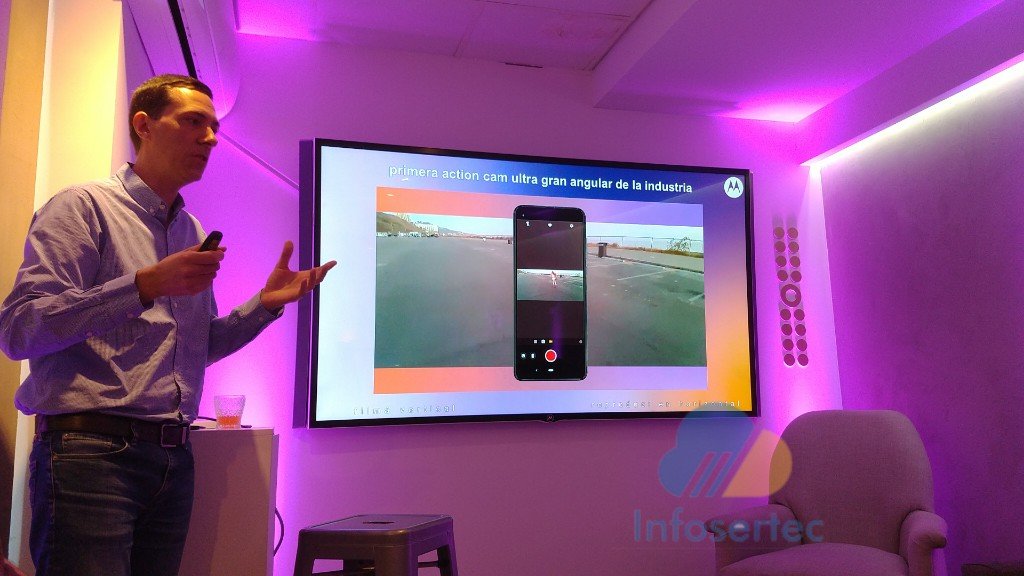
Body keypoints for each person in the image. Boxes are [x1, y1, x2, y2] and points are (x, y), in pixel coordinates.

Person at [0, 74, 336, 576]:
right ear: (144, 126)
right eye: (193, 121)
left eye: (214, 127)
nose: (211, 138)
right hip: (91, 454)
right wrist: (143, 285)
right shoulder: (82, 207)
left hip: (173, 458)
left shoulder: (189, 230)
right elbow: (20, 329)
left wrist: (264, 306)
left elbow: (193, 348)